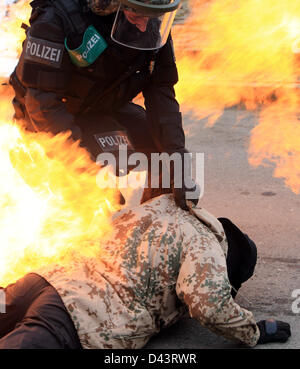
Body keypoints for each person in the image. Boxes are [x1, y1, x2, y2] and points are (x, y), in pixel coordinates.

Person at [0, 194, 291, 348]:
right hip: (77, 309)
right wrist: (252, 331)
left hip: (43, 280)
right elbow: (209, 306)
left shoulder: (162, 208)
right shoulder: (207, 245)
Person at [9, 0, 199, 210]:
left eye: (151, 17)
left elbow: (161, 93)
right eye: (136, 17)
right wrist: (86, 175)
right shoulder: (57, 18)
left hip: (102, 108)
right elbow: (43, 106)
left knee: (164, 156)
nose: (145, 26)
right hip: (45, 122)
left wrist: (178, 162)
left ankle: (157, 221)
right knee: (88, 203)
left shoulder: (149, 16)